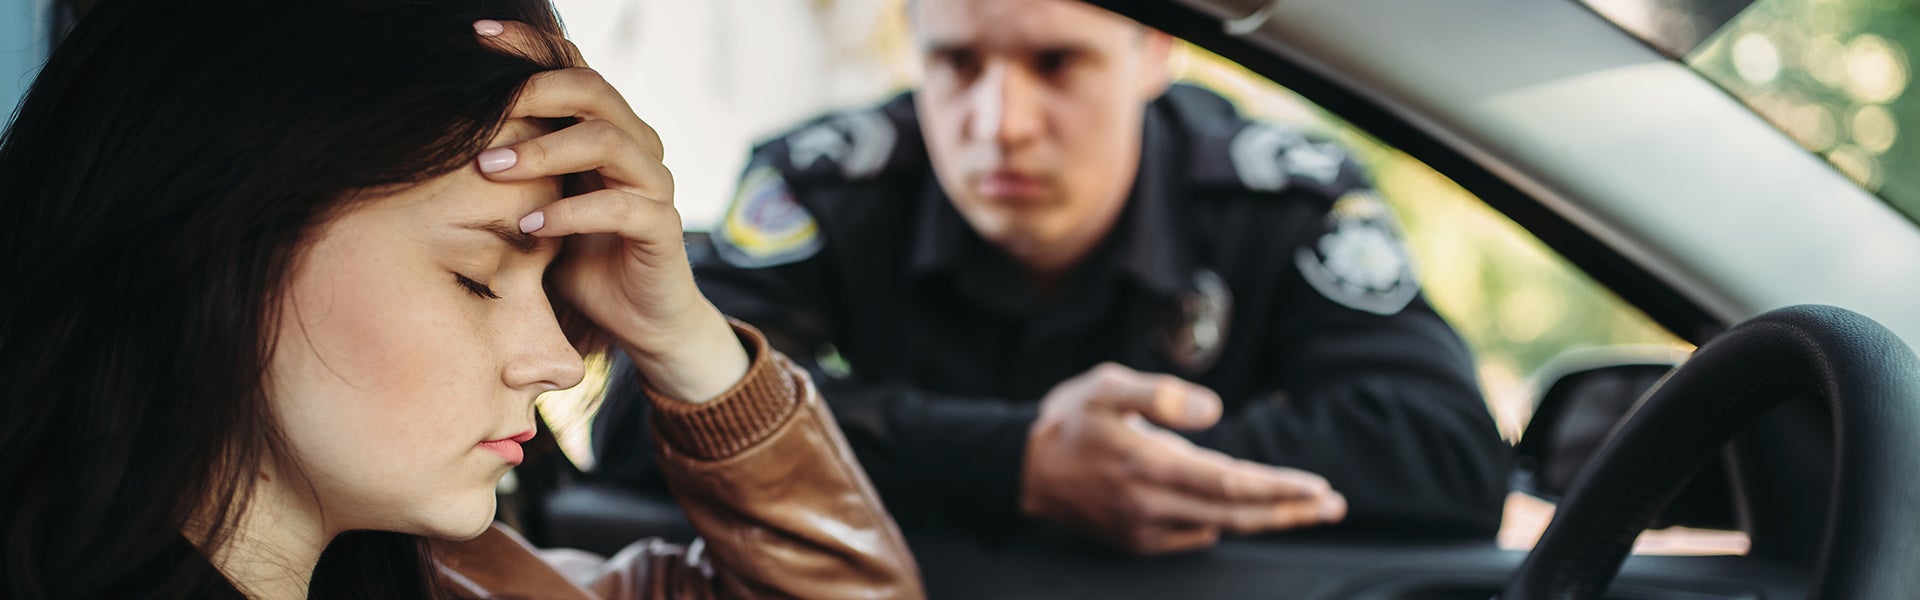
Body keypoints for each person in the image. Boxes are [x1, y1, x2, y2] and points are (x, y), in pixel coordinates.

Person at [0, 1, 920, 598]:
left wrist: (677, 331)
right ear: (209, 235)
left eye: (550, 283)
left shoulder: (454, 579)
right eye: (475, 278)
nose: (558, 363)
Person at [593, 0, 1511, 556]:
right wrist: (1015, 461)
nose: (1001, 122)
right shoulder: (829, 182)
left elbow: (1447, 452)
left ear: (1155, 52)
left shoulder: (1276, 194)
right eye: (957, 62)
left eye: (1056, 62)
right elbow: (643, 414)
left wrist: (1122, 469)